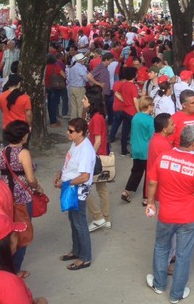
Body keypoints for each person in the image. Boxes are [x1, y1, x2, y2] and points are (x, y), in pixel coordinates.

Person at [145, 125, 194, 304]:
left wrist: (151, 202)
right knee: (184, 254)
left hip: (166, 214)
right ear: (193, 144)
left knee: (161, 248)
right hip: (188, 216)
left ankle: (159, 285)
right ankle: (176, 295)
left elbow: (152, 182)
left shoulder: (163, 157)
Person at [0, 120, 43, 276]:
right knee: (22, 232)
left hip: (5, 196)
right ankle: (15, 269)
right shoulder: (24, 153)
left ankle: (5, 265)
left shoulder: (3, 150)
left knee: (8, 232)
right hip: (22, 196)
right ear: (23, 136)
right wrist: (38, 188)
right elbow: (30, 179)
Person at [53, 118, 96, 271]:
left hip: (77, 190)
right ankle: (77, 250)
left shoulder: (85, 150)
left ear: (81, 133)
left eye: (71, 131)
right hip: (71, 187)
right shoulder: (75, 143)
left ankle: (85, 257)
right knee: (73, 220)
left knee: (79, 223)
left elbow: (85, 176)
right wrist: (61, 173)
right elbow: (70, 164)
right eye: (68, 129)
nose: (67, 133)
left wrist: (66, 183)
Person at [84, 87, 111, 232]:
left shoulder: (96, 118)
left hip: (96, 158)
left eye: (85, 99)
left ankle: (98, 217)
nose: (83, 101)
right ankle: (105, 218)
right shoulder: (98, 116)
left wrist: (89, 158)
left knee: (83, 188)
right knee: (102, 188)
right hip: (100, 156)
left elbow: (98, 141)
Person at [121, 96, 155, 205]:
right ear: (149, 106)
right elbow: (152, 136)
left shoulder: (135, 117)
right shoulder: (150, 120)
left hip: (135, 148)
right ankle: (146, 197)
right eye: (152, 105)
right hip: (146, 150)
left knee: (136, 171)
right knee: (149, 174)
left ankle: (126, 191)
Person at [110, 66, 139, 156]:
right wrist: (138, 112)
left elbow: (116, 93)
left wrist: (124, 100)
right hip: (132, 111)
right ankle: (133, 153)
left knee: (125, 131)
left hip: (125, 110)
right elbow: (135, 100)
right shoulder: (133, 87)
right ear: (134, 76)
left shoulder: (123, 84)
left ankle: (123, 150)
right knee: (134, 133)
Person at [44, 54, 66, 127]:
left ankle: (52, 119)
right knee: (54, 104)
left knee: (50, 104)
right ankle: (53, 121)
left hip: (47, 86)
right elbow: (64, 75)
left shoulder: (45, 67)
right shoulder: (56, 67)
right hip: (55, 87)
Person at [66, 53, 89, 119]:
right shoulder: (81, 68)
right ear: (81, 60)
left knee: (73, 107)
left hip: (71, 87)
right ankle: (80, 122)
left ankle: (73, 121)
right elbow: (86, 79)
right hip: (79, 88)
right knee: (80, 106)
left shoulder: (72, 68)